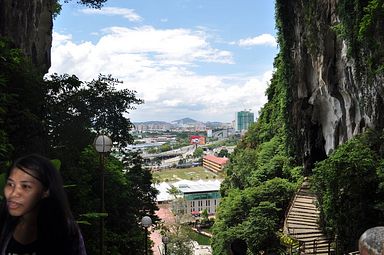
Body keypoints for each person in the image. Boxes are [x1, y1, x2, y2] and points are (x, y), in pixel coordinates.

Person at [0, 153, 87, 255]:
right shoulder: (4, 224)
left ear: (45, 191)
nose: (13, 193)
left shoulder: (65, 229)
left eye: (25, 186)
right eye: (10, 184)